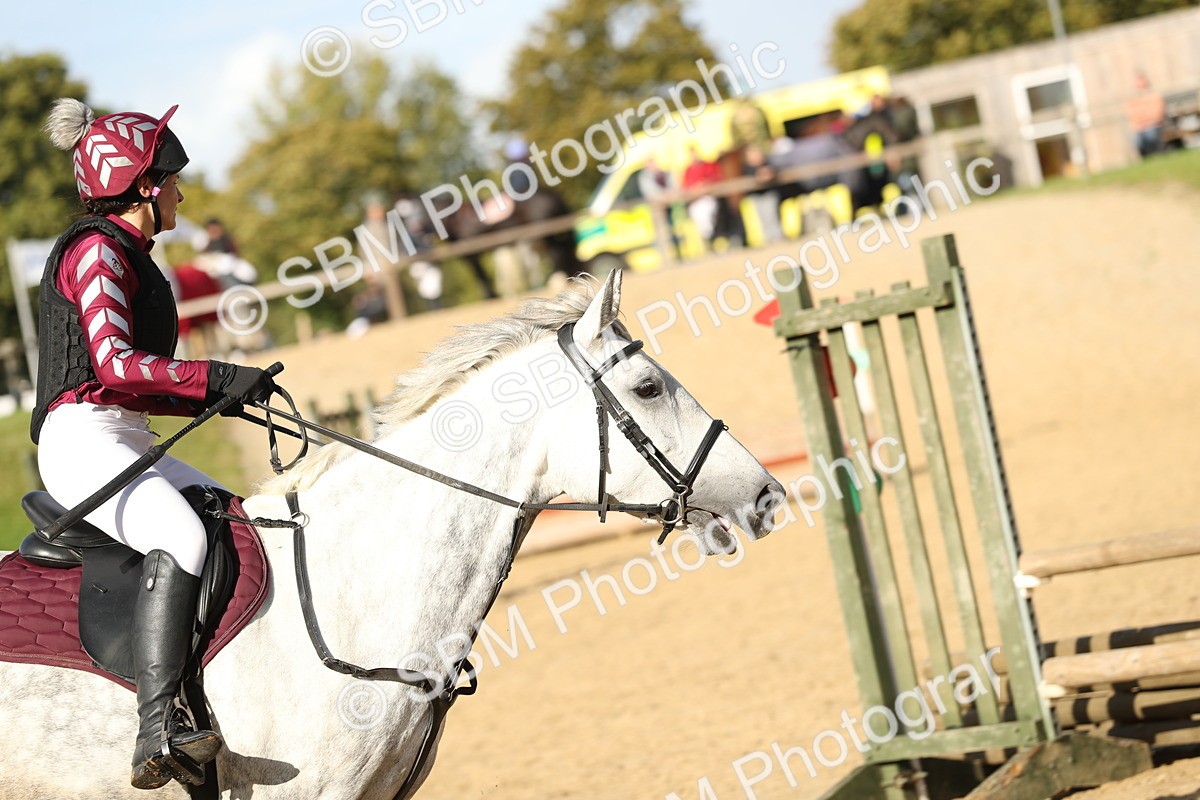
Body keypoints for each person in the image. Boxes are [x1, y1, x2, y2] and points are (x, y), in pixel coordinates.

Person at [37, 98, 279, 789]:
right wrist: (214, 375)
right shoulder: (94, 252)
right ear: (142, 186)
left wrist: (223, 394)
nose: (180, 190)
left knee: (231, 520)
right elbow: (113, 365)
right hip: (81, 441)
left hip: (120, 434)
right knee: (183, 536)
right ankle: (158, 728)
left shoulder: (131, 256)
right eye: (170, 179)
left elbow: (134, 386)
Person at [1125, 72, 1166, 158]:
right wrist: (1141, 121)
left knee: (1151, 135)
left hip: (1154, 126)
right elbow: (1132, 115)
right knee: (1136, 140)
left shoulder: (1154, 95)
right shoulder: (1132, 99)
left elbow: (1157, 113)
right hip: (1140, 127)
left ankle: (1156, 156)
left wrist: (1144, 118)